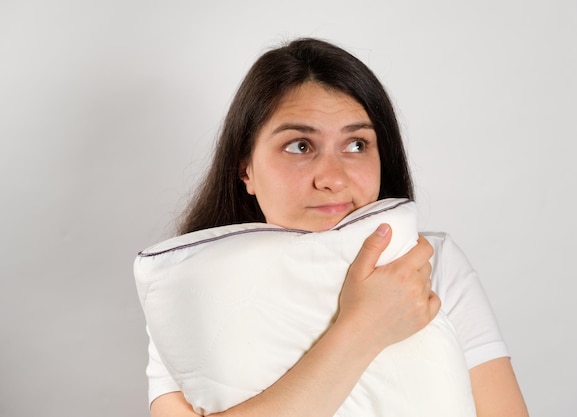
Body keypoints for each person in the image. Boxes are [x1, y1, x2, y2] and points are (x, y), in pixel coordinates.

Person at [144, 38, 529, 417]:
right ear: (247, 169)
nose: (332, 178)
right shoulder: (187, 285)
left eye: (357, 145)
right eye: (300, 146)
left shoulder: (429, 265)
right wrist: (362, 329)